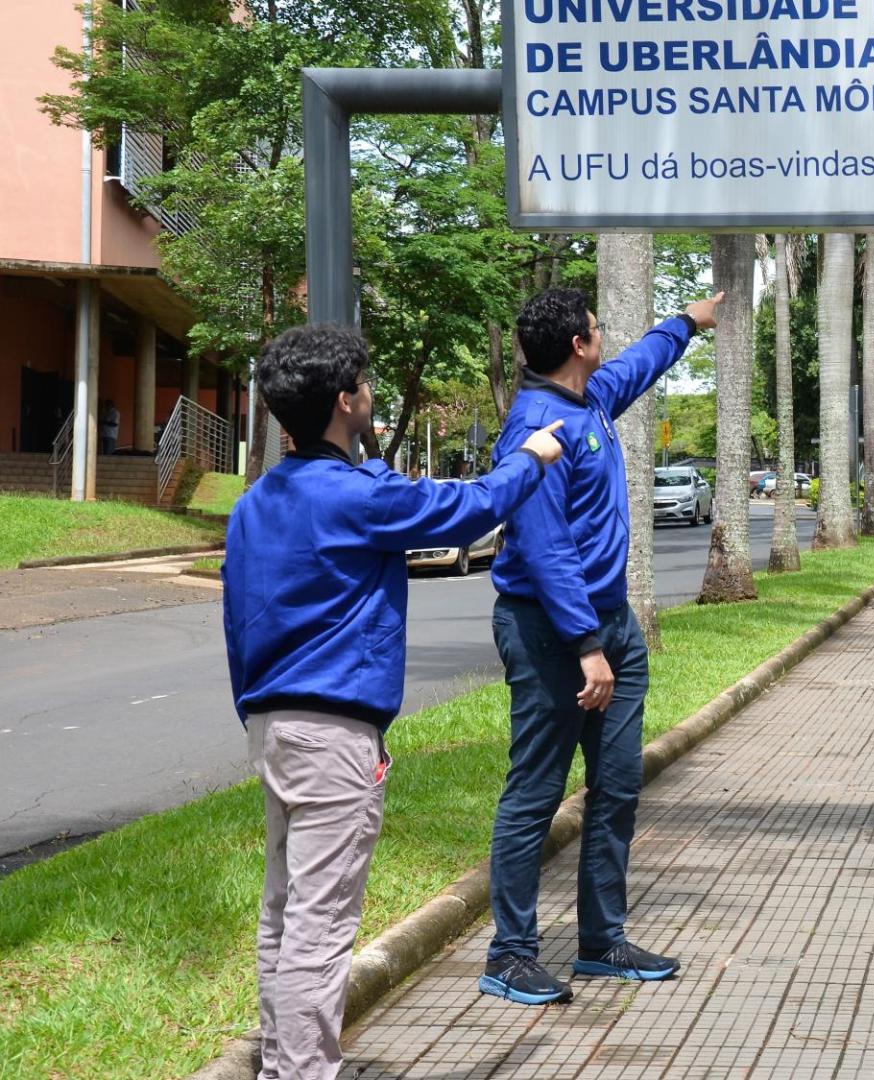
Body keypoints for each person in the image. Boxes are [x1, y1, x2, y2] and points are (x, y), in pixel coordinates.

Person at [223, 324, 564, 1080]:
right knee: (320, 921)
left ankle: (289, 1063)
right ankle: (305, 1072)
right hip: (336, 734)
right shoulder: (356, 494)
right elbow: (468, 509)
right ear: (345, 402)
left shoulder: (254, 504)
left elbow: (237, 621)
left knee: (285, 911)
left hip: (274, 727)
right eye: (368, 386)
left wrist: (257, 711)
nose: (374, 396)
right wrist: (532, 456)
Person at [481, 286, 723, 1005]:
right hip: (552, 633)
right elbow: (546, 549)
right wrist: (589, 646)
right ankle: (510, 953)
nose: (603, 334)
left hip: (609, 626)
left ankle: (600, 942)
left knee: (616, 787)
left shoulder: (590, 398)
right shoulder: (536, 429)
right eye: (596, 327)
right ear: (581, 346)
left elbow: (642, 363)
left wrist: (687, 324)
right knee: (535, 793)